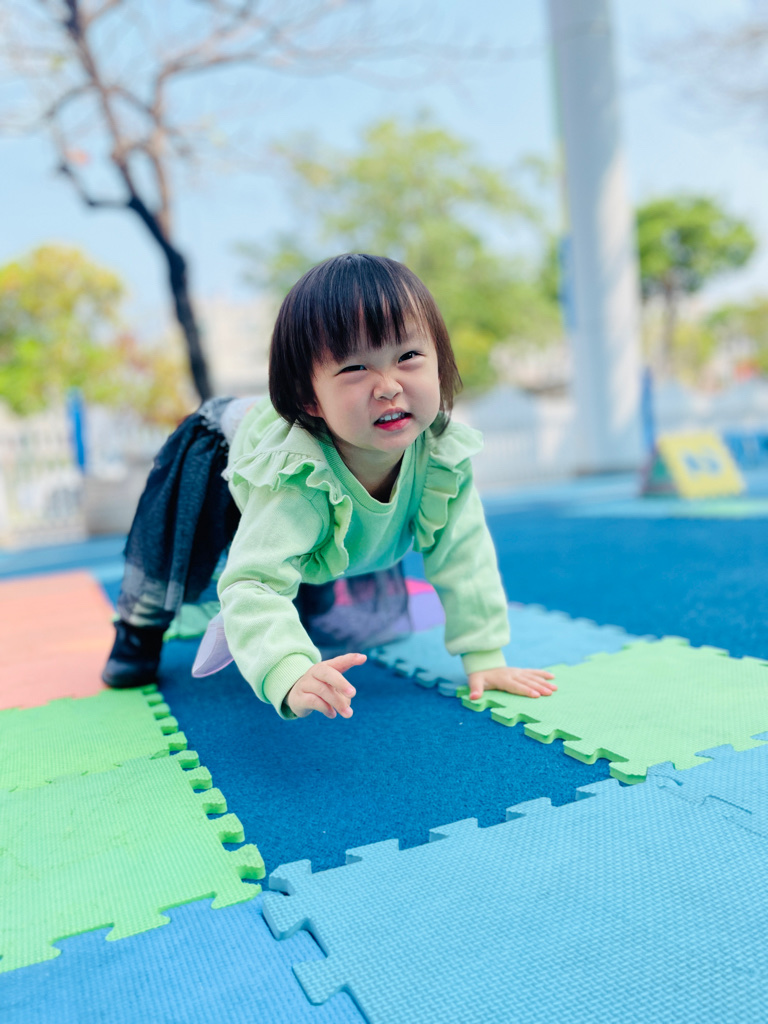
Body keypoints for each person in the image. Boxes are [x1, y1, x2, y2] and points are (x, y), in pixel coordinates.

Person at [103, 254, 556, 719]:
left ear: (439, 362)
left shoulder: (441, 455)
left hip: (317, 463)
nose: (388, 387)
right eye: (355, 368)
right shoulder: (297, 478)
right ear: (308, 400)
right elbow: (254, 581)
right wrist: (287, 670)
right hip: (225, 449)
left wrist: (485, 654)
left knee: (316, 551)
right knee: (170, 557)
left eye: (408, 357)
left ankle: (302, 608)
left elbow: (464, 553)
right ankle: (138, 630)